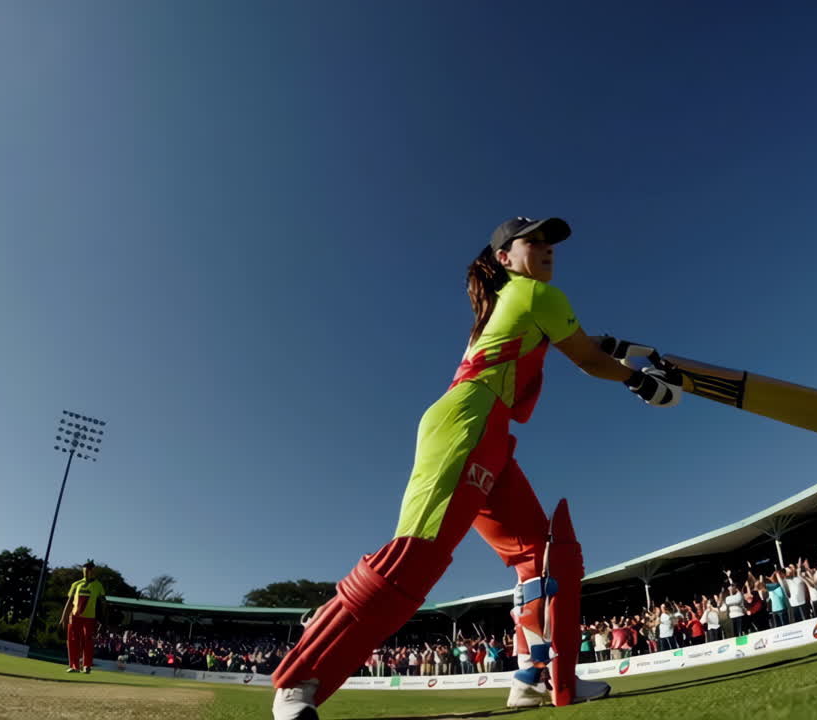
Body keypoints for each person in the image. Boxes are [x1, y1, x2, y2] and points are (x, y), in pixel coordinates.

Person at [271, 217, 680, 718]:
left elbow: (583, 345)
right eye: (533, 241)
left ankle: (536, 677)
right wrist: (641, 382)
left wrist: (622, 355)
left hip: (490, 431)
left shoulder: (517, 300)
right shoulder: (535, 294)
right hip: (466, 422)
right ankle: (298, 680)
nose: (547, 249)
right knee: (415, 558)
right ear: (504, 257)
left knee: (541, 554)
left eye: (550, 242)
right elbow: (588, 357)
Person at [60, 559, 105, 675]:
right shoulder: (76, 584)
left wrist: (103, 620)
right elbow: (69, 602)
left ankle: (87, 665)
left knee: (88, 641)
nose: (87, 571)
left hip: (90, 617)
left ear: (93, 571)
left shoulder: (98, 585)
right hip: (75, 616)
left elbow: (103, 604)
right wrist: (63, 617)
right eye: (85, 569)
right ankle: (74, 666)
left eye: (89, 569)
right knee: (72, 641)